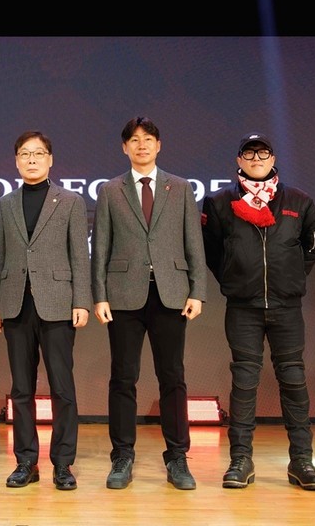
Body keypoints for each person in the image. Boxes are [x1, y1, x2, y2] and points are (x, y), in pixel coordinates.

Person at [201, 132, 315, 491]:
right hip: (243, 307)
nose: (256, 159)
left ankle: (302, 461)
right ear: (239, 160)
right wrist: (234, 278)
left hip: (287, 307)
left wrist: (290, 278)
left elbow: (313, 246)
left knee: (294, 380)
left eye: (263, 153)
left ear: (273, 159)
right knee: (244, 382)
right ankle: (240, 461)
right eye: (249, 153)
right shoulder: (220, 202)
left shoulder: (299, 201)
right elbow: (212, 251)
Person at [91, 116, 206, 491]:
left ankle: (177, 457)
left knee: (173, 377)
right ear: (124, 147)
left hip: (171, 293)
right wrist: (99, 295)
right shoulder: (110, 190)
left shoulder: (181, 188)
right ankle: (122, 455)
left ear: (159, 145)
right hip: (123, 295)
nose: (142, 145)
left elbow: (193, 243)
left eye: (148, 139)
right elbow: (101, 246)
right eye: (134, 140)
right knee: (123, 377)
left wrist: (197, 290)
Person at [0, 130, 92, 491]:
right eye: (24, 154)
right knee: (21, 389)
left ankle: (62, 464)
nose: (31, 159)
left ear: (50, 159)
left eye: (38, 153)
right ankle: (26, 462)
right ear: (16, 161)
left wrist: (82, 301)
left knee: (62, 388)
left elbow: (80, 255)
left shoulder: (71, 201)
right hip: (16, 304)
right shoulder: (5, 204)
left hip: (58, 303)